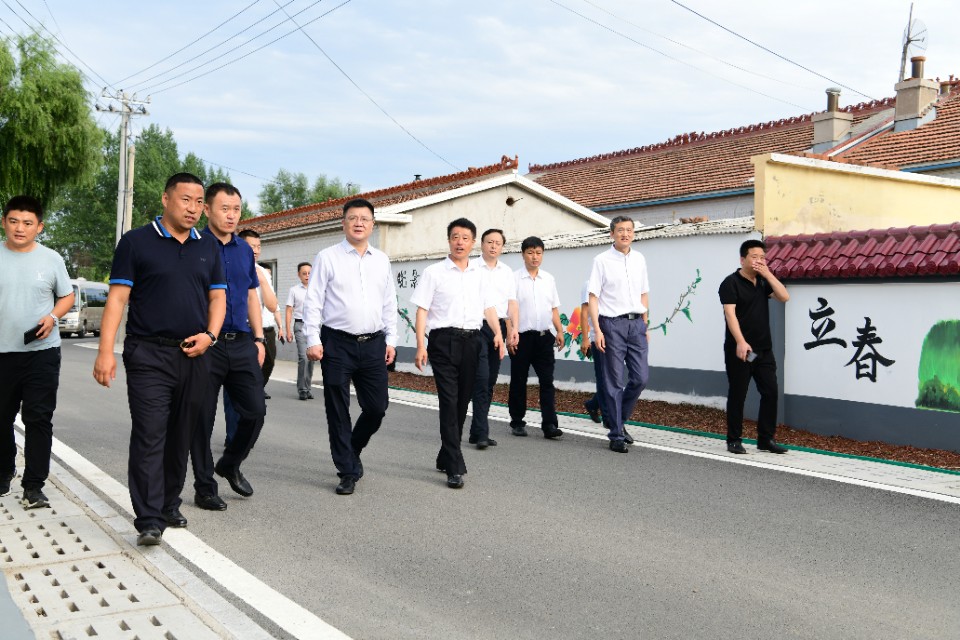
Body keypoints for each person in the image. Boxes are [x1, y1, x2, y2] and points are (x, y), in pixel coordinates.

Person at [93, 173, 226, 547]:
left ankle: (169, 502)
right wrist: (106, 351)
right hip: (148, 352)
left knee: (180, 434)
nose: (194, 209)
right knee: (151, 432)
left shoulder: (208, 247)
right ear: (166, 199)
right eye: (186, 200)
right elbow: (117, 299)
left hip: (195, 353)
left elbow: (217, 298)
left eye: (200, 202)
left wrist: (210, 336)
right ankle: (149, 518)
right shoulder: (136, 243)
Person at [303, 198, 398, 495]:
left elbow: (389, 302)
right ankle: (346, 470)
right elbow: (314, 300)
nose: (359, 223)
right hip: (337, 343)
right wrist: (313, 339)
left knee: (377, 407)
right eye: (353, 218)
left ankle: (352, 448)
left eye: (365, 218)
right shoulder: (327, 257)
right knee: (337, 409)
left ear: (373, 224)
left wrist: (391, 339)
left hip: (373, 343)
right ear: (343, 223)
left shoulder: (381, 260)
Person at [189, 183, 267, 513]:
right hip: (207, 346)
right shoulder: (194, 246)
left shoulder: (242, 251)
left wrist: (260, 338)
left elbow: (252, 294)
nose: (231, 215)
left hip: (242, 343)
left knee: (255, 411)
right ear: (207, 210)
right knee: (202, 419)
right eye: (224, 208)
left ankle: (230, 463)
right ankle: (204, 487)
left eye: (236, 209)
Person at [412, 218, 505, 489]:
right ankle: (454, 465)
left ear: (473, 242)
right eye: (455, 237)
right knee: (449, 401)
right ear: (449, 240)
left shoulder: (479, 274)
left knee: (463, 401)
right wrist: (420, 344)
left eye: (465, 237)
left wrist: (497, 333)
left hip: (473, 341)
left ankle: (445, 453)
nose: (460, 242)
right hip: (443, 342)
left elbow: (488, 307)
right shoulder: (434, 272)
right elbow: (422, 310)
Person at [0, 196, 75, 509]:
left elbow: (67, 296)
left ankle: (34, 486)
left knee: (39, 418)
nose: (20, 228)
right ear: (4, 221)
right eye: (14, 221)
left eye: (28, 223)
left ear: (39, 227)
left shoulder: (51, 259)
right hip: (2, 354)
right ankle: (4, 473)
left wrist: (53, 317)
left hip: (41, 352)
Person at [719, 239, 790, 455]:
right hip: (741, 350)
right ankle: (734, 440)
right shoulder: (730, 283)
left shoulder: (762, 282)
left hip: (763, 350)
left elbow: (785, 297)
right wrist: (740, 341)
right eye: (754, 257)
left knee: (770, 391)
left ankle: (765, 439)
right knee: (738, 394)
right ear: (743, 259)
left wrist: (768, 274)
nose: (759, 260)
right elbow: (729, 314)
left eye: (762, 257)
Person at [588, 216, 650, 454]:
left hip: (636, 326)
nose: (625, 233)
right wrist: (598, 330)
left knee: (640, 378)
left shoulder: (640, 259)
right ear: (611, 234)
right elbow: (593, 296)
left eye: (629, 230)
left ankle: (617, 419)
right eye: (620, 230)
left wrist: (645, 324)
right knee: (613, 381)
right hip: (611, 325)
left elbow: (644, 293)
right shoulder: (601, 261)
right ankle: (616, 434)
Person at [223, 229, 278, 447]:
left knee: (252, 387)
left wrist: (261, 279)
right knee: (234, 387)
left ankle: (243, 428)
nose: (254, 251)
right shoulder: (231, 266)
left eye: (258, 247)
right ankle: (233, 435)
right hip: (240, 332)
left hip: (263, 332)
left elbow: (272, 305)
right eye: (250, 246)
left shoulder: (262, 272)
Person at [508, 237, 564, 440]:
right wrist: (509, 336)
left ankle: (549, 425)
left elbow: (554, 308)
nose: (535, 257)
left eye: (538, 252)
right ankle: (517, 421)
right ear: (523, 254)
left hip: (544, 338)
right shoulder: (513, 279)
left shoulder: (548, 279)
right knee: (519, 381)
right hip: (521, 338)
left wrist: (559, 330)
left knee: (547, 382)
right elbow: (508, 311)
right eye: (530, 252)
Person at [468, 228, 518, 449]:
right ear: (482, 244)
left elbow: (511, 303)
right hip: (476, 327)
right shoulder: (471, 268)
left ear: (502, 247)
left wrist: (513, 329)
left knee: (489, 381)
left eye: (498, 243)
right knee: (480, 378)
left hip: (498, 328)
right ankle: (480, 432)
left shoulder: (507, 272)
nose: (494, 246)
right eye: (490, 242)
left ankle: (477, 430)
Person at [580, 280, 634, 444]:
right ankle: (614, 423)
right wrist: (585, 338)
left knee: (614, 380)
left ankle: (593, 404)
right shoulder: (590, 283)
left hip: (619, 336)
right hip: (600, 338)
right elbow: (584, 312)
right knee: (606, 380)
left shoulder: (617, 282)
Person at [286, 262, 314, 400]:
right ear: (299, 275)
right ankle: (302, 389)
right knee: (303, 357)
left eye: (309, 273)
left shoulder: (317, 289)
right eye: (304, 273)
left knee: (312, 358)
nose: (307, 276)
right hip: (300, 326)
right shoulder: (294, 290)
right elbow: (289, 310)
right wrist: (288, 330)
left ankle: (308, 388)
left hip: (314, 327)